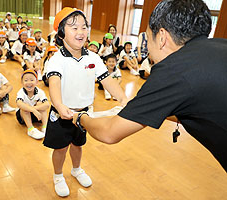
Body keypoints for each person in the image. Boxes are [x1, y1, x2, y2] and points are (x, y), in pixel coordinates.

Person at [72, 0, 227, 173]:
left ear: (161, 37)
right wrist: (142, 108)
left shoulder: (174, 69)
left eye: (147, 38)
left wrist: (80, 118)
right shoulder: (220, 45)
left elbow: (109, 133)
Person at [44, 7, 128, 197]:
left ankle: (76, 169)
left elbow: (108, 81)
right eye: (74, 28)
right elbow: (54, 84)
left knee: (78, 144)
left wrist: (123, 99)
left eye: (84, 27)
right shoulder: (57, 60)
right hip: (62, 113)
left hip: (84, 113)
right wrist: (59, 105)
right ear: (61, 33)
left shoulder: (94, 58)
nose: (81, 32)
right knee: (60, 147)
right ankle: (58, 176)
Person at [16, 70, 49, 140]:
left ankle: (45, 127)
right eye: (26, 80)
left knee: (40, 104)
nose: (29, 83)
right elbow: (19, 103)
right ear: (22, 82)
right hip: (23, 116)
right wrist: (32, 109)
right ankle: (31, 129)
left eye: (32, 80)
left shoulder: (40, 92)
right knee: (24, 106)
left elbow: (47, 105)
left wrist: (34, 109)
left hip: (37, 115)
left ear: (36, 82)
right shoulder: (21, 92)